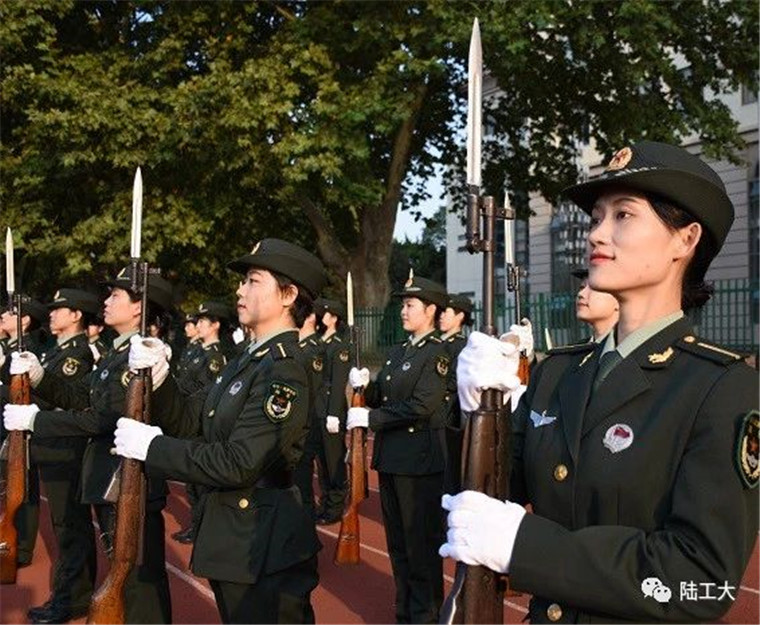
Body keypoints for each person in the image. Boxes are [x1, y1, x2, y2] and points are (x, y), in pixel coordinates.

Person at [440, 141, 759, 623]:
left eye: (623, 215)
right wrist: (474, 411)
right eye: (596, 218)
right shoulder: (557, 373)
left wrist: (527, 548)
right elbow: (483, 495)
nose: (596, 234)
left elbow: (702, 583)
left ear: (685, 240)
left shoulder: (721, 388)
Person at [111, 239, 325, 624]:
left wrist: (153, 448)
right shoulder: (249, 360)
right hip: (237, 540)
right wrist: (159, 382)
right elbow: (194, 420)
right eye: (243, 281)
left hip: (262, 546)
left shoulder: (283, 369)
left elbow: (239, 463)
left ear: (289, 295)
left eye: (253, 281)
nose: (240, 290)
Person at [4, 267, 188, 624]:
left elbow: (105, 420)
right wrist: (40, 377)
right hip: (108, 476)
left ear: (139, 308)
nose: (105, 302)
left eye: (116, 295)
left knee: (140, 581)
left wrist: (36, 420)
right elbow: (79, 397)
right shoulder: (117, 356)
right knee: (127, 572)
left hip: (130, 478)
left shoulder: (142, 357)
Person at [346, 273, 450, 624]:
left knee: (419, 544)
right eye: (403, 304)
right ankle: (405, 610)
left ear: (431, 309)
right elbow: (382, 395)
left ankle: (426, 614)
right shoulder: (397, 353)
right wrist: (363, 385)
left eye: (410, 305)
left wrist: (370, 418)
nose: (403, 311)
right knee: (399, 546)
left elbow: (422, 406)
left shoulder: (438, 353)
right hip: (392, 459)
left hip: (419, 461)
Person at [25, 289, 100, 624]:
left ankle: (72, 598)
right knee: (63, 524)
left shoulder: (78, 354)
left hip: (66, 447)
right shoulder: (59, 352)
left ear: (77, 316)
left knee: (71, 525)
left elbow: (62, 396)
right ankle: (68, 594)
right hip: (53, 445)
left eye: (60, 310)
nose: (51, 314)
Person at [172, 301, 230, 544]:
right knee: (192, 481)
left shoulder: (215, 356)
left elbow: (209, 390)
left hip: (202, 420)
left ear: (215, 325)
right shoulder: (198, 352)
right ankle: (197, 525)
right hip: (190, 417)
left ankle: (202, 528)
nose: (198, 325)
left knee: (200, 482)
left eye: (204, 322)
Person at [0, 295, 48, 570]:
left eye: (11, 314)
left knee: (21, 485)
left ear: (25, 320)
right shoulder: (9, 346)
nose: (3, 318)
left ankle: (21, 546)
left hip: (21, 424)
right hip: (6, 421)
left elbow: (24, 392)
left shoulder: (28, 349)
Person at [313, 297, 350, 525]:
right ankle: (326, 501)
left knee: (333, 458)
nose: (319, 317)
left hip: (331, 408)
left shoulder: (340, 345)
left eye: (323, 314)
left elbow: (338, 382)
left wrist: (334, 413)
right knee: (321, 461)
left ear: (333, 318)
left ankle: (336, 505)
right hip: (317, 408)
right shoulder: (319, 341)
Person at [293, 308, 327, 522]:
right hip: (296, 423)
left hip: (307, 422)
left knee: (302, 481)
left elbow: (312, 390)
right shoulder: (298, 347)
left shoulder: (314, 350)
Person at [438, 293, 472, 495]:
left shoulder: (461, 346)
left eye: (446, 312)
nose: (441, 316)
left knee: (447, 471)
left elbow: (453, 382)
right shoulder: (438, 343)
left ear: (460, 316)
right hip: (433, 415)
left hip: (447, 414)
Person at [572, 267, 619, 342]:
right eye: (581, 288)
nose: (580, 294)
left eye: (594, 288)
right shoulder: (577, 351)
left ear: (619, 300)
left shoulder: (636, 350)